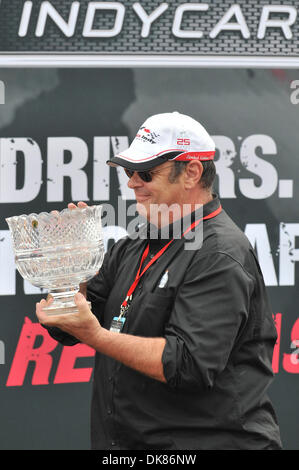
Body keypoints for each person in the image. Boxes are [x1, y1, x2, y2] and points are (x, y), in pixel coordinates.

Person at [36, 111, 282, 450]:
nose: (133, 182)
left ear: (192, 172)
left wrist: (94, 334)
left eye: (147, 173)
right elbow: (68, 324)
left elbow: (186, 365)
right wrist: (72, 270)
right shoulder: (133, 244)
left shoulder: (220, 253)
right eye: (129, 171)